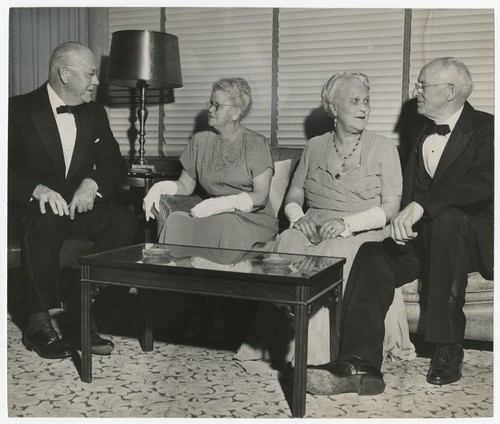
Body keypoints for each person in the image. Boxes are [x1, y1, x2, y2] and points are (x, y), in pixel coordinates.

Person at [306, 57, 494, 396]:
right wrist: (393, 221)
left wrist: (422, 206)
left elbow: (484, 183)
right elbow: (404, 191)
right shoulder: (420, 130)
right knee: (372, 254)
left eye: (423, 86)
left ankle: (449, 347)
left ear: (450, 91)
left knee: (449, 222)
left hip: (464, 241)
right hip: (422, 240)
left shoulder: (487, 127)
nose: (415, 92)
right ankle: (358, 363)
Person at [235, 71, 415, 375]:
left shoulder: (384, 147)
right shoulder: (315, 146)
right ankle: (283, 343)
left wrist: (347, 224)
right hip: (314, 222)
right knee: (287, 243)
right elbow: (293, 196)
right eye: (354, 101)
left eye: (366, 101)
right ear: (333, 108)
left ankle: (319, 356)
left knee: (331, 251)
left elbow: (390, 207)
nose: (363, 108)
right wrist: (298, 218)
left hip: (363, 228)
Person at [8, 42, 137, 359]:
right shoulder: (15, 109)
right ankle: (38, 325)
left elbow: (113, 164)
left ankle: (83, 311)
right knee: (44, 216)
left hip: (75, 209)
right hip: (28, 209)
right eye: (91, 74)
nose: (96, 82)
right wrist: (36, 189)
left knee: (123, 219)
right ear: (64, 73)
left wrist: (91, 183)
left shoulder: (94, 113)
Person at [143, 77, 278, 340]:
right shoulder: (200, 141)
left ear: (236, 112)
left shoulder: (256, 143)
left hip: (252, 218)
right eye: (210, 102)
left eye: (217, 105)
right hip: (210, 212)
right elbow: (185, 185)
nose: (211, 109)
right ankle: (173, 314)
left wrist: (224, 203)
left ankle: (219, 319)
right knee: (177, 221)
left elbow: (260, 197)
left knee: (224, 224)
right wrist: (159, 189)